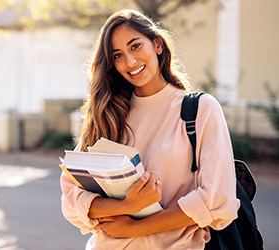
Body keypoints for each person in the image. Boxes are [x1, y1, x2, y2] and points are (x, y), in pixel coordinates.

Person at [60, 9, 240, 250]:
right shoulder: (108, 115)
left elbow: (217, 201)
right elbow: (71, 200)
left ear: (157, 44)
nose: (130, 62)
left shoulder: (200, 110)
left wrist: (134, 228)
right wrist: (127, 206)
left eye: (135, 46)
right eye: (117, 55)